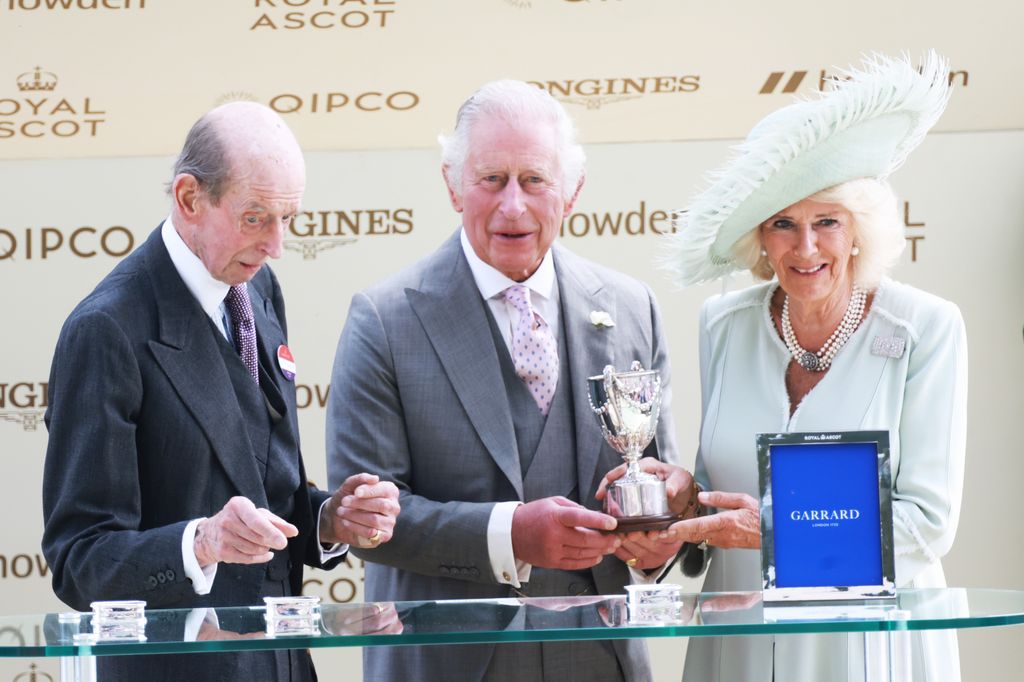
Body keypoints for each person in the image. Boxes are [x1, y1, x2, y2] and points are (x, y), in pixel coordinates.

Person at [604, 51, 967, 681]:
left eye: (827, 221)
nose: (805, 248)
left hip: (865, 647)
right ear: (760, 240)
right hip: (738, 643)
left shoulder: (924, 328)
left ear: (858, 229)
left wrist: (772, 532)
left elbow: (926, 525)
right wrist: (678, 513)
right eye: (783, 224)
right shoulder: (725, 323)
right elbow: (721, 488)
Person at [326, 79, 684, 682]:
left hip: (602, 660)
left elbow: (656, 481)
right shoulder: (383, 321)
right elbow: (366, 522)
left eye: (534, 180)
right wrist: (508, 535)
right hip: (446, 665)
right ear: (452, 185)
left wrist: (659, 543)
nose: (512, 205)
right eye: (491, 179)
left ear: (572, 190)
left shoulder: (632, 307)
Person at [41, 102, 401, 682]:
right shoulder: (106, 329)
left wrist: (330, 520)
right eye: (256, 216)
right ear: (189, 198)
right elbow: (79, 561)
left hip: (282, 663)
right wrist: (201, 543)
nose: (277, 244)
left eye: (289, 218)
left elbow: (265, 491)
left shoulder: (257, 290)